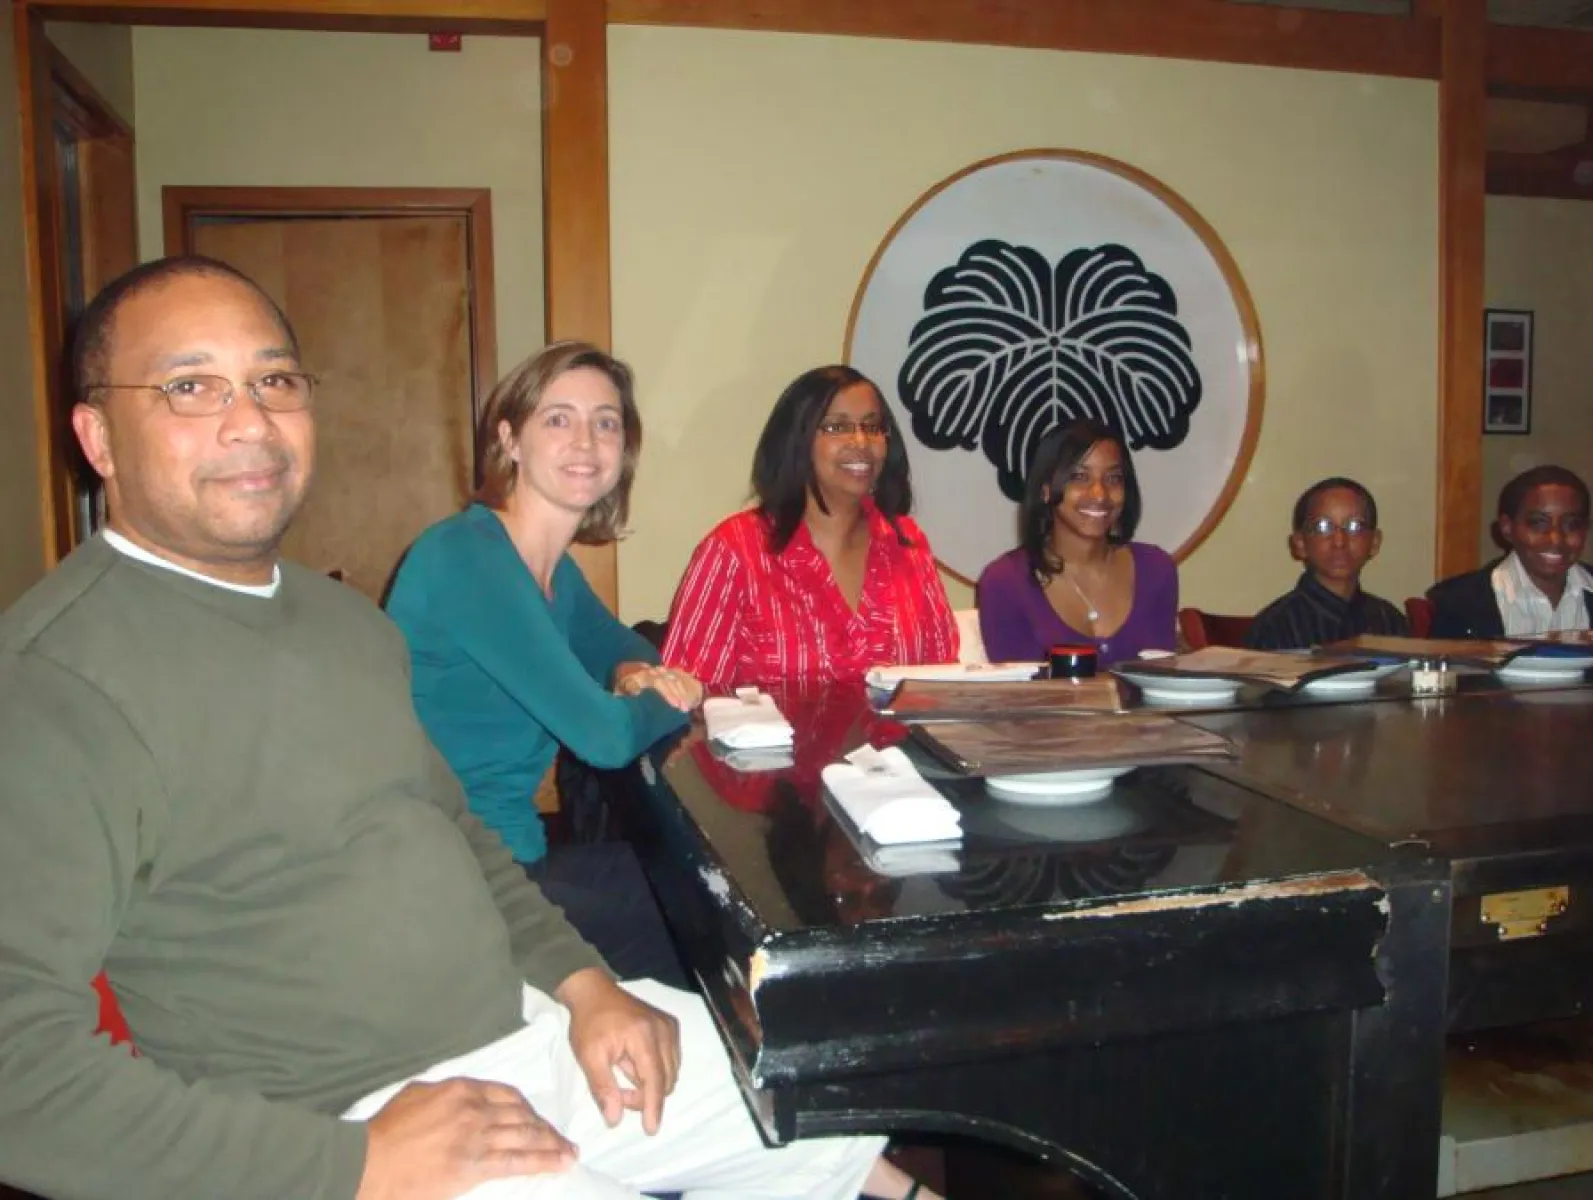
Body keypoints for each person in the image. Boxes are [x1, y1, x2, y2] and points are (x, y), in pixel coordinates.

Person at [0, 255, 931, 1200]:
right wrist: (353, 1166)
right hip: (342, 1120)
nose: (250, 420)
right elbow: (15, 1079)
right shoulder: (52, 683)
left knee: (820, 1086)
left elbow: (458, 831)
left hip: (517, 1035)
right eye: (190, 386)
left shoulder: (343, 625)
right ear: (98, 436)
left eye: (275, 380)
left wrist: (584, 986)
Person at [385, 342, 699, 985]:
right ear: (511, 439)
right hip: (444, 884)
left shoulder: (547, 567)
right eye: (558, 418)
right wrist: (664, 696)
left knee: (686, 890)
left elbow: (625, 647)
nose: (585, 440)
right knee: (696, 925)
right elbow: (606, 738)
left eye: (605, 422)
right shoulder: (468, 557)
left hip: (505, 855)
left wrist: (636, 676)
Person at [663, 365, 956, 685]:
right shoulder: (735, 550)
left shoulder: (906, 544)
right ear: (797, 440)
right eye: (836, 427)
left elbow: (943, 684)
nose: (861, 441)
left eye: (873, 427)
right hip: (773, 737)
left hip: (899, 738)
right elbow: (686, 696)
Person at [976, 420, 1177, 666]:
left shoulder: (1156, 570)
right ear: (1046, 489)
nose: (1100, 494)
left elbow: (1163, 682)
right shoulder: (1005, 582)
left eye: (1113, 478)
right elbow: (1019, 696)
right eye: (1080, 477)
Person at [1428, 465, 1593, 638]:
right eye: (1538, 523)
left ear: (1586, 529)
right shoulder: (1458, 602)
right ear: (1507, 528)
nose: (1556, 539)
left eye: (1572, 524)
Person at [1244, 476, 1408, 650]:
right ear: (1300, 544)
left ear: (1374, 542)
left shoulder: (1388, 620)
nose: (1339, 541)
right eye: (1323, 527)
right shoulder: (1276, 626)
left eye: (1354, 526)